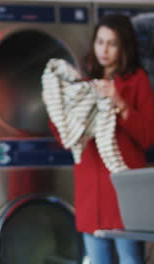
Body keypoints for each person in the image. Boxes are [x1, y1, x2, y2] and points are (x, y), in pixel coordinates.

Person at [49, 14, 154, 264]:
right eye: (100, 42)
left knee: (131, 260)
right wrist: (58, 104)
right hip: (90, 195)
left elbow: (148, 137)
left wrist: (120, 102)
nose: (104, 50)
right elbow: (66, 136)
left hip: (122, 196)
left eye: (112, 44)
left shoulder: (136, 81)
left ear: (124, 47)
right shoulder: (83, 82)